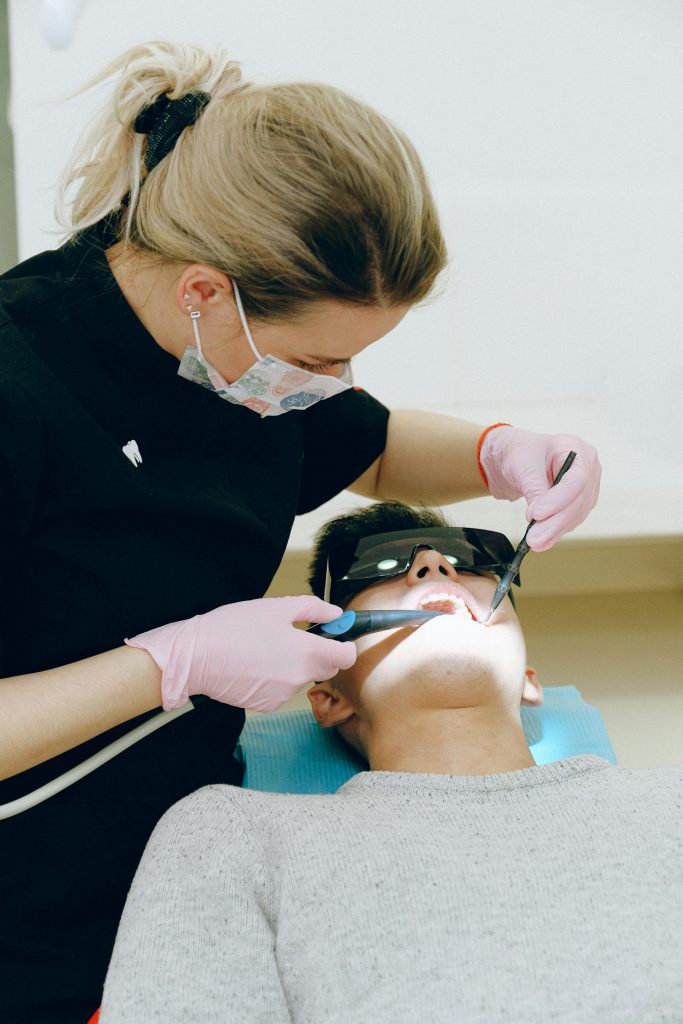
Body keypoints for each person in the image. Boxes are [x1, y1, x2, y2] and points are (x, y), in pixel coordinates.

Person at [0, 39, 601, 1022]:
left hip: (182, 849)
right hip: (30, 904)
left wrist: (499, 451)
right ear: (204, 289)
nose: (333, 387)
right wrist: (169, 663)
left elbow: (360, 445)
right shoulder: (20, 390)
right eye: (316, 358)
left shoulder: (236, 357)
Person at [99, 501, 682, 1024]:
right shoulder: (232, 834)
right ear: (328, 695)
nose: (433, 565)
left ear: (532, 683)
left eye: (471, 560)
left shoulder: (670, 804)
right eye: (377, 569)